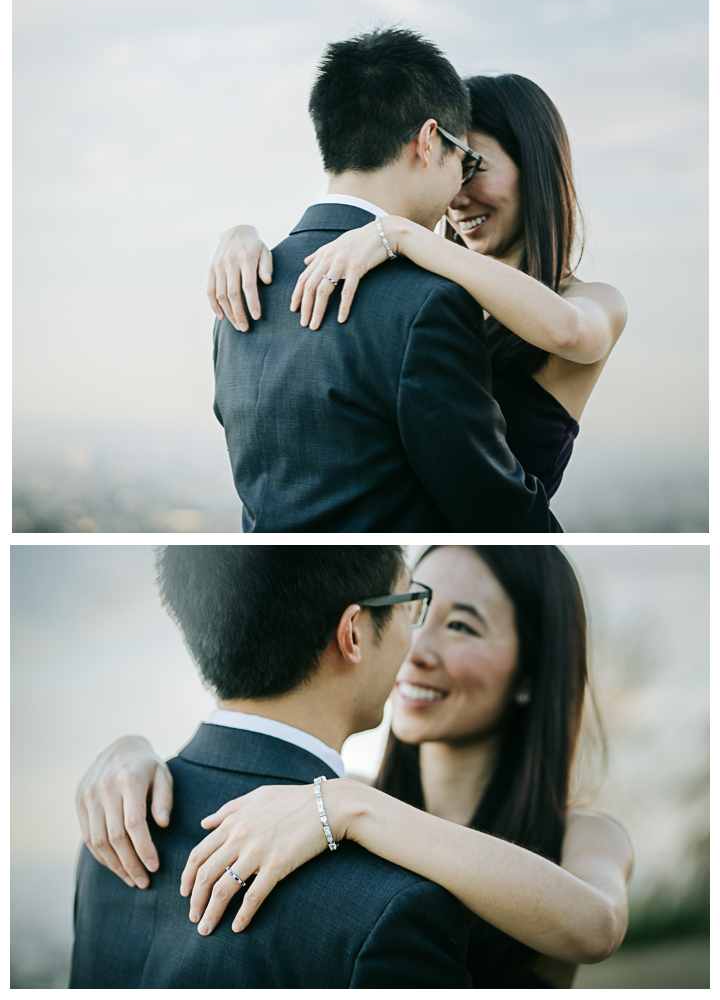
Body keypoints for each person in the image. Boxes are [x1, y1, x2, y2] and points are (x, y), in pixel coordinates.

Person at [77, 545, 633, 989]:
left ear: (533, 671)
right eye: (416, 609)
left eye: (461, 626)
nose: (416, 647)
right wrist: (131, 748)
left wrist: (348, 803)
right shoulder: (317, 807)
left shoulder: (339, 805)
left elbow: (596, 927)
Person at [212, 74, 627, 503]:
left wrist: (402, 233)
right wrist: (245, 239)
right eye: (453, 170)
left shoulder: (595, 301)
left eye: (474, 168)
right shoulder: (424, 289)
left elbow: (569, 332)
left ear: (534, 167)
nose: (456, 197)